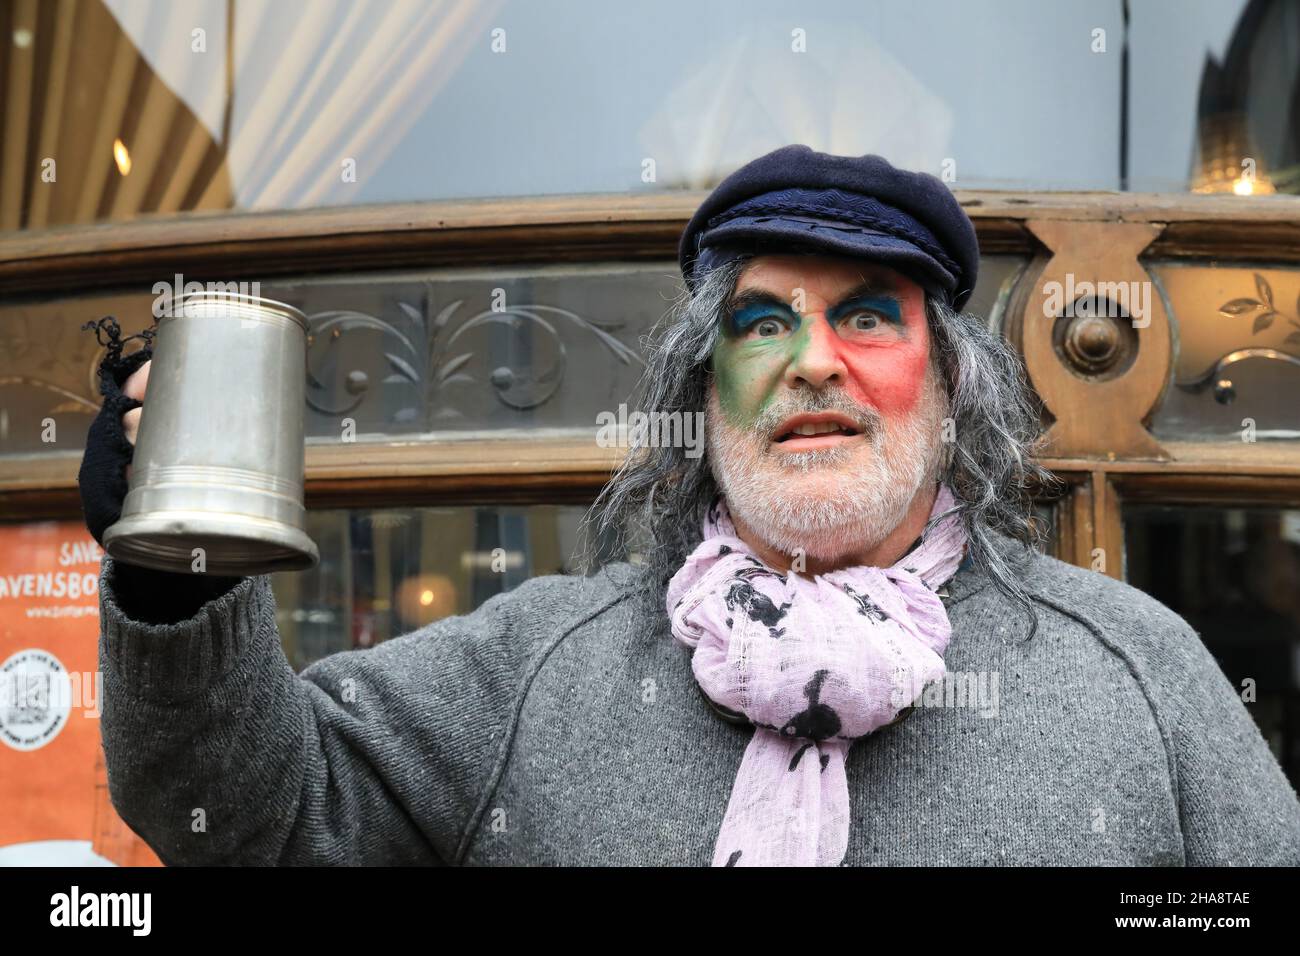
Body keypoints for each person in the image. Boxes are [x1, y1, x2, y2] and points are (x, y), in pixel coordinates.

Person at [81, 145, 1300, 866]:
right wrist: (176, 572)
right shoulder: (535, 667)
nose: (811, 360)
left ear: (948, 385)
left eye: (868, 314)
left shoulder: (1136, 669)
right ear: (701, 393)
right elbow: (255, 813)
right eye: (760, 324)